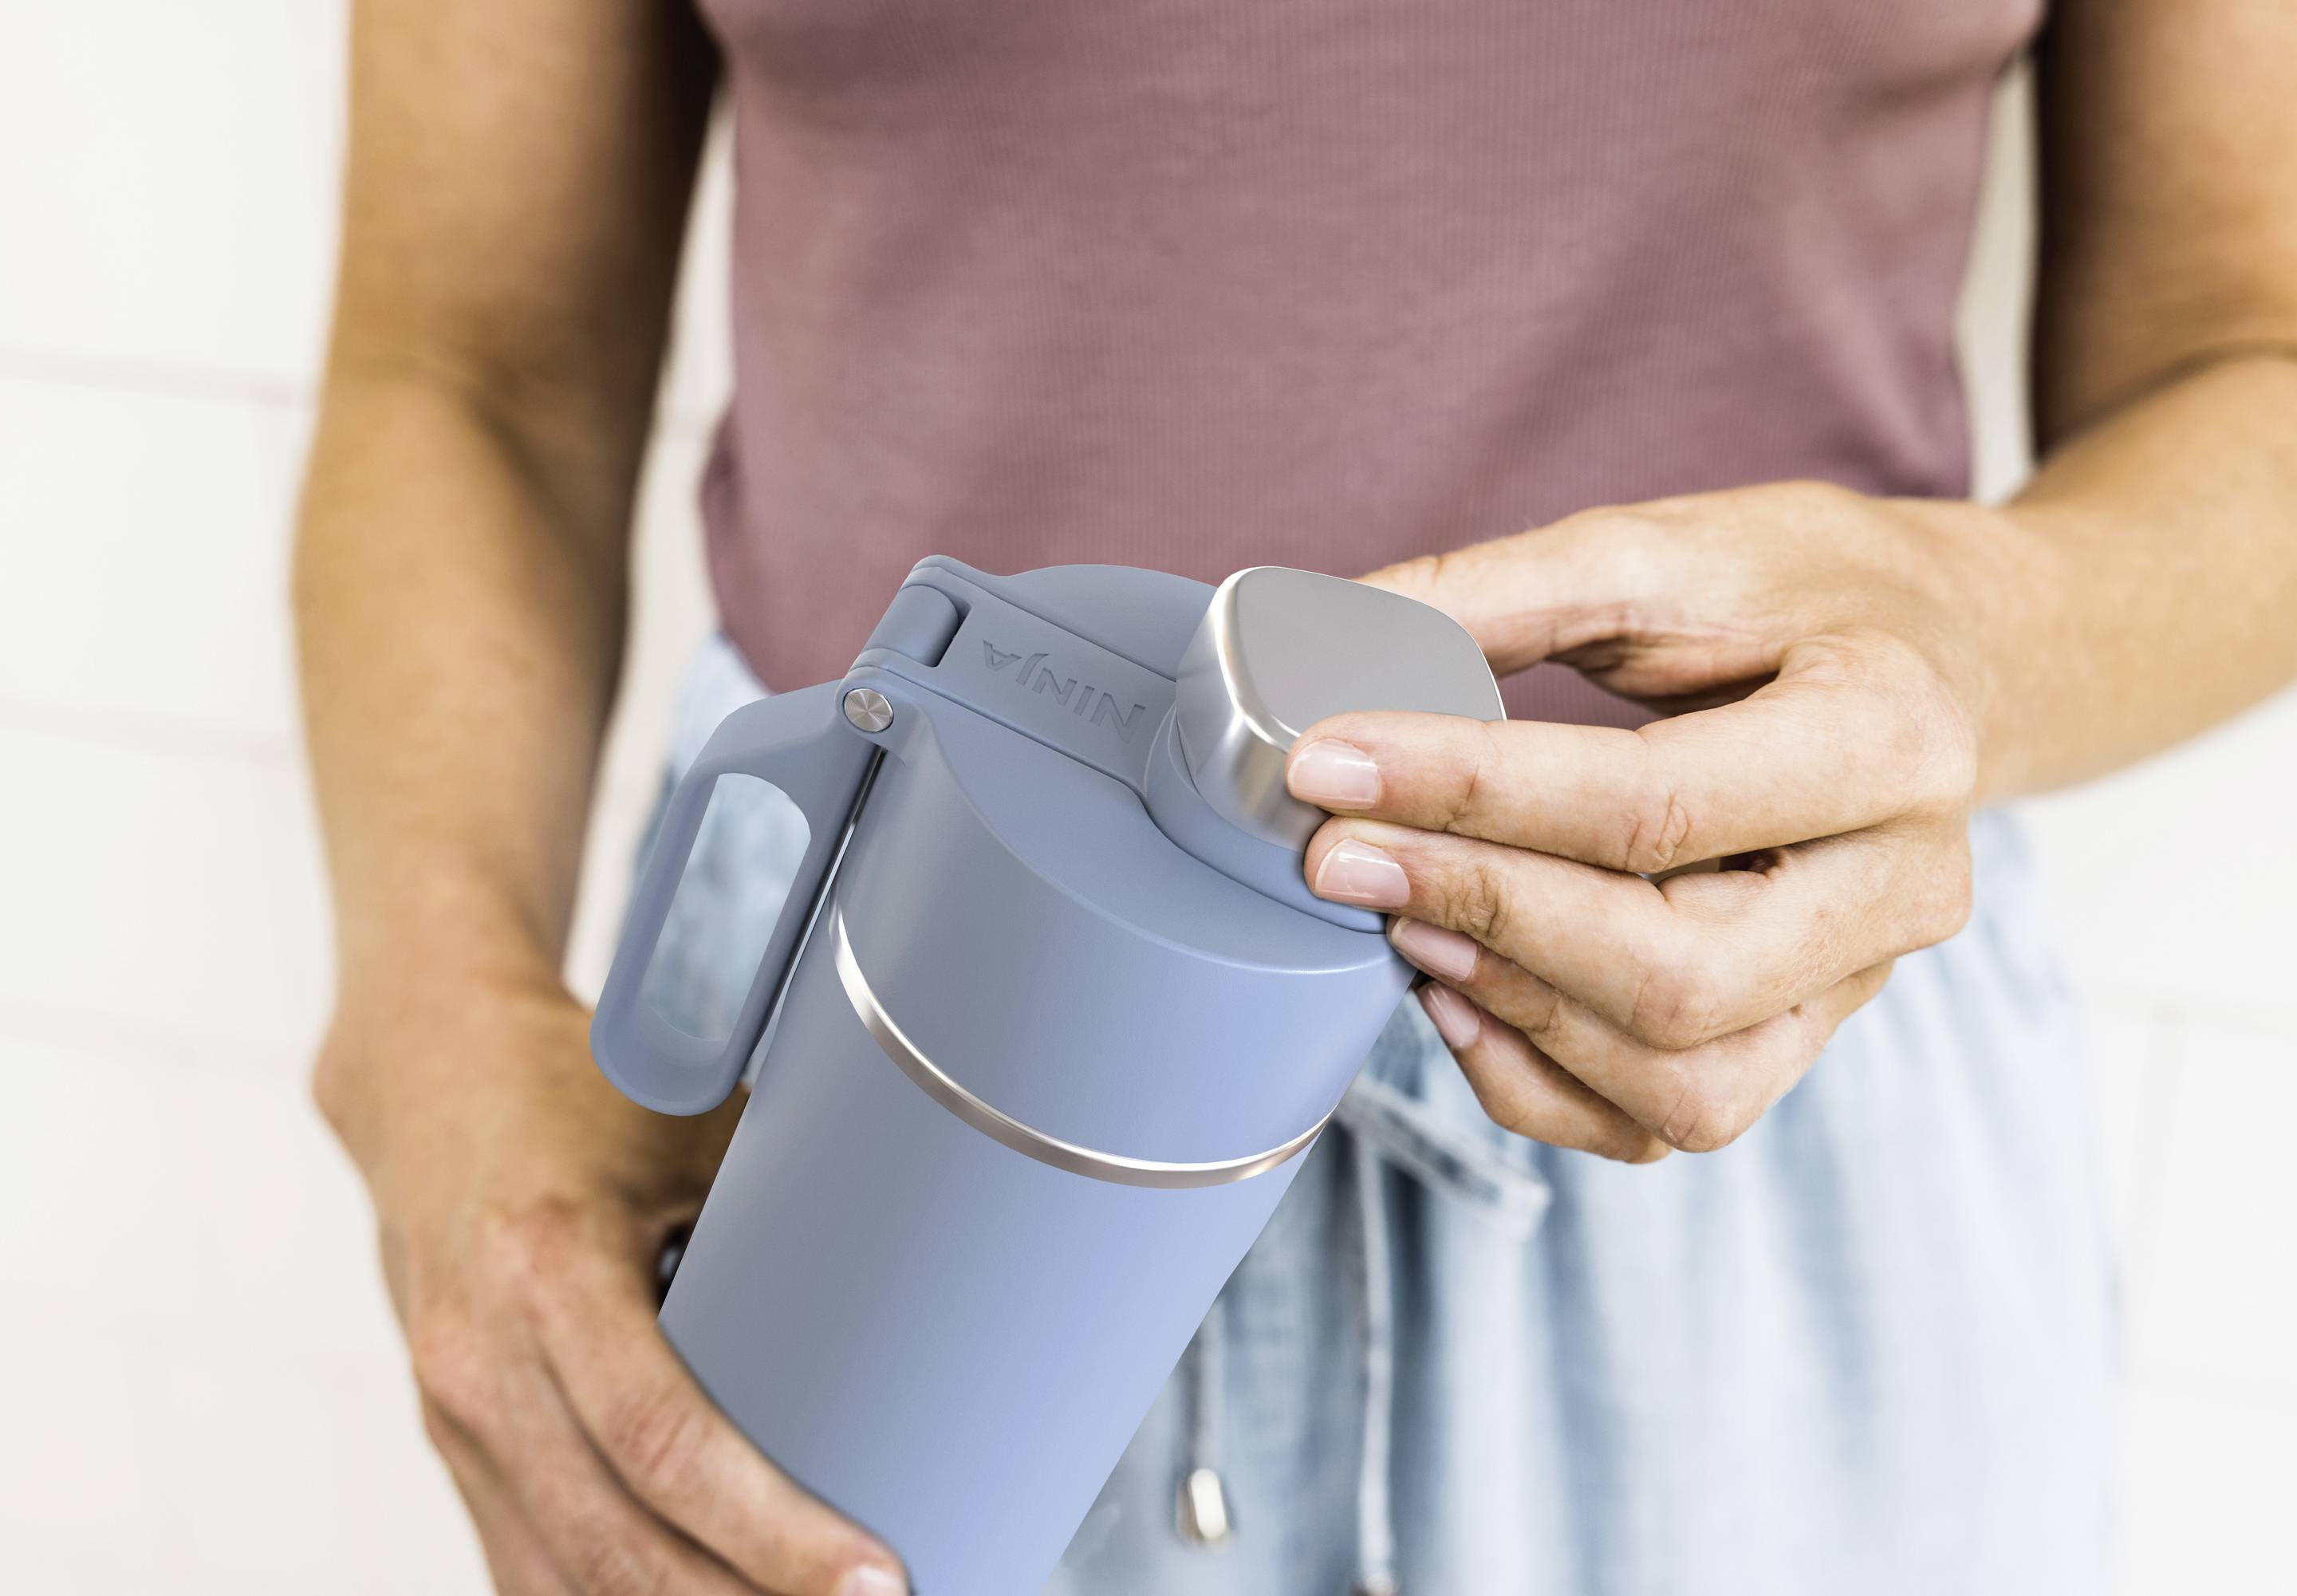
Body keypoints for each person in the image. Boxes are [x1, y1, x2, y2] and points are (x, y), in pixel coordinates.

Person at [294, 1, 2297, 1591]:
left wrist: (1975, 628)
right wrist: (438, 1014)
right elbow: (467, 366)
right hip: (873, 1107)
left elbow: (2253, 343)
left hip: (1738, 1071)